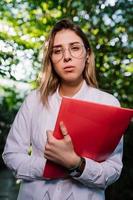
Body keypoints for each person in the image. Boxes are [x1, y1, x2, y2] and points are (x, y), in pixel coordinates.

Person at [3, 18, 123, 200]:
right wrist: (50, 167)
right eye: (57, 51)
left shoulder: (109, 104)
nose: (66, 56)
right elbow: (11, 154)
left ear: (87, 54)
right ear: (51, 59)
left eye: (75, 48)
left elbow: (113, 169)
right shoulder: (33, 101)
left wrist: (76, 164)